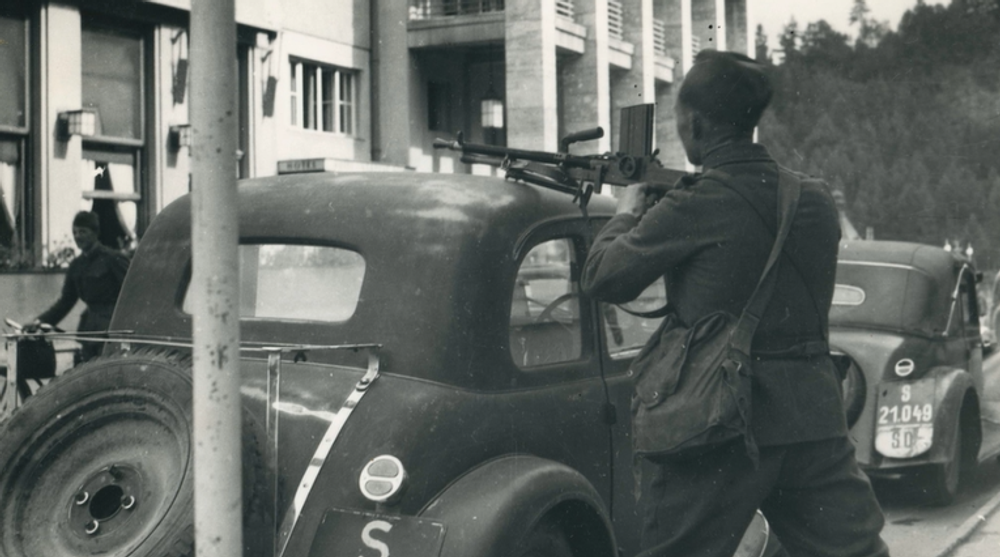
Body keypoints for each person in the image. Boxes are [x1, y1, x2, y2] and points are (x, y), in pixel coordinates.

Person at [582, 50, 890, 557]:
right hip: (812, 419)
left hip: (719, 423)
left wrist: (626, 211)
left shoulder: (694, 203)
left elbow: (601, 276)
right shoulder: (812, 199)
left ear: (694, 124)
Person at [31, 211, 130, 363]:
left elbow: (132, 291)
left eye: (83, 231)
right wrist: (40, 322)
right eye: (74, 232)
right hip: (89, 329)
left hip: (112, 328)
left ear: (95, 233)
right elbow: (66, 301)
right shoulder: (76, 265)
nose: (77, 236)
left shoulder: (112, 258)